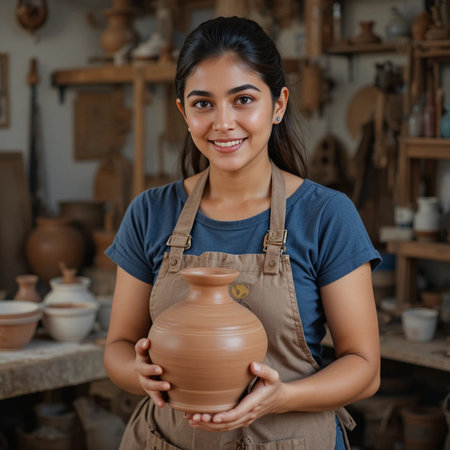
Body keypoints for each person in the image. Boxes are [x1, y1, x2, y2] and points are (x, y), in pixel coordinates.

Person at [104, 16, 381, 450]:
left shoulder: (326, 215)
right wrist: (137, 375)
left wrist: (282, 398)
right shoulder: (150, 212)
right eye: (203, 104)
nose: (223, 122)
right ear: (183, 111)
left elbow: (365, 369)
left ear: (278, 105)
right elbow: (118, 346)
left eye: (243, 99)